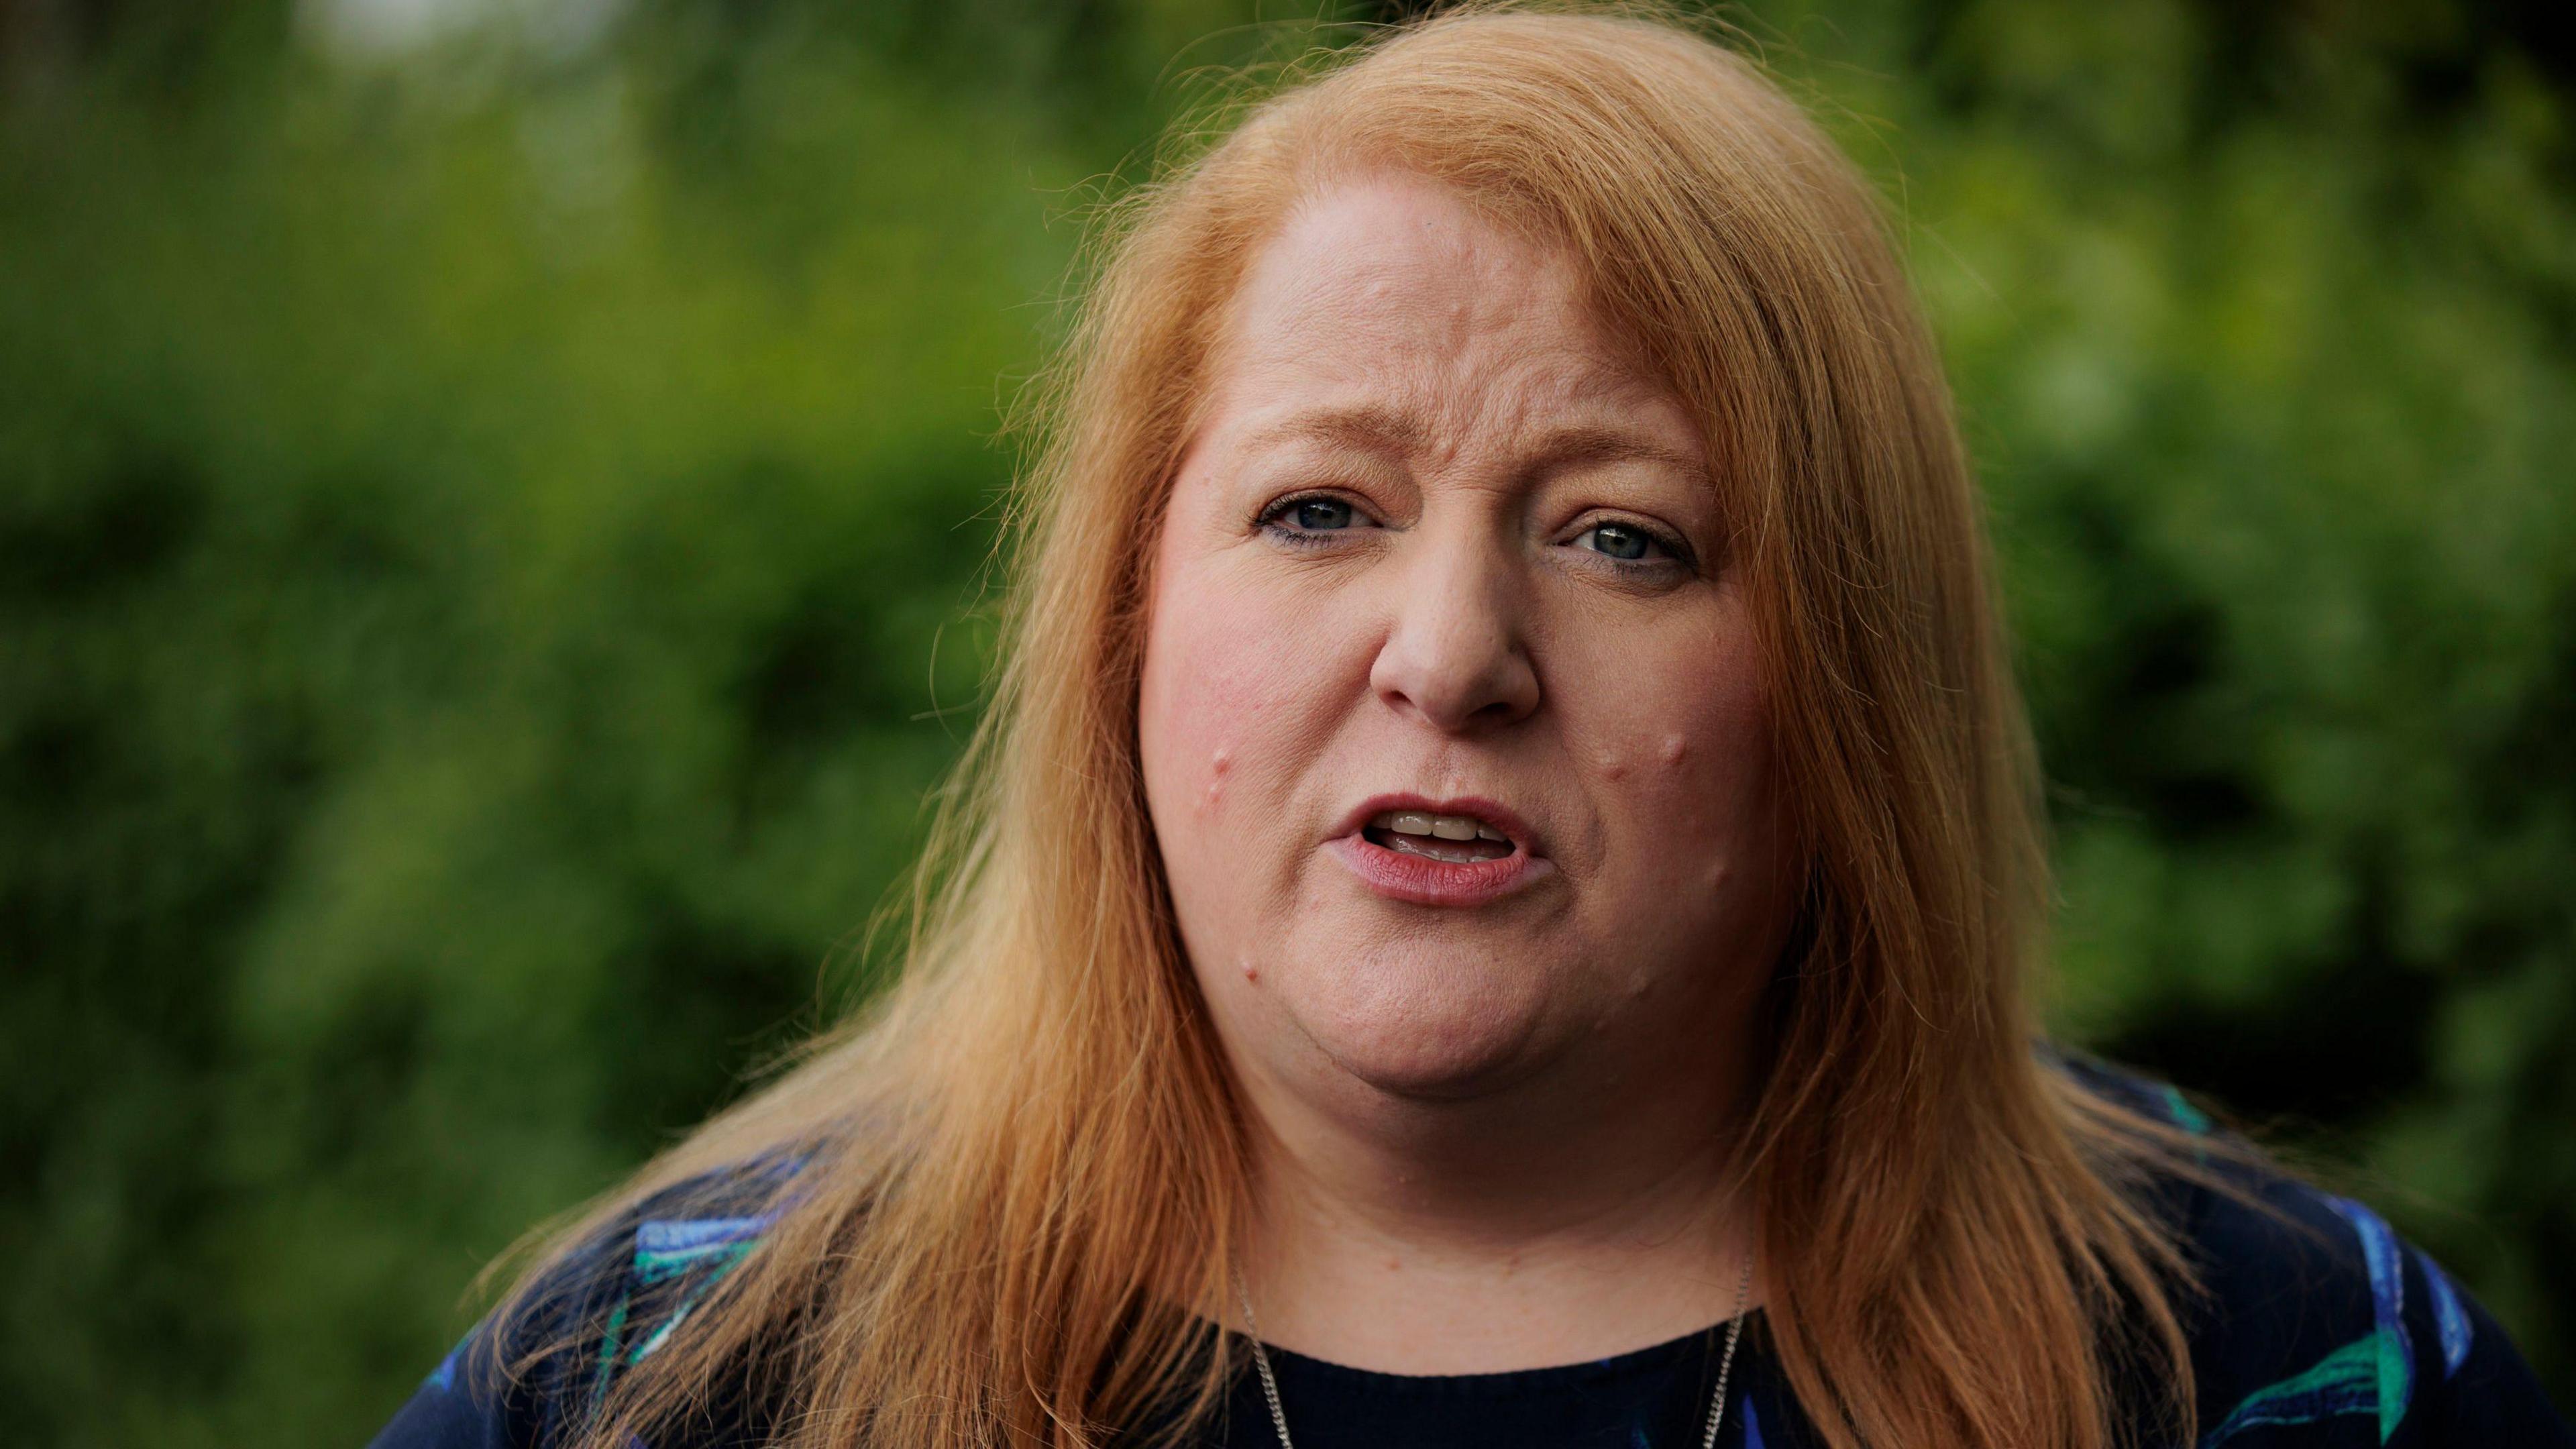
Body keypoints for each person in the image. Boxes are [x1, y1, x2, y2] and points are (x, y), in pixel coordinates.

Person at [368, 7, 2571, 1448]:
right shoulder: (673, 1383)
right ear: (1127, 621)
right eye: (1320, 508)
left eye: (1627, 539)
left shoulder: (2278, 1373)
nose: (1451, 651)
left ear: (1849, 678)